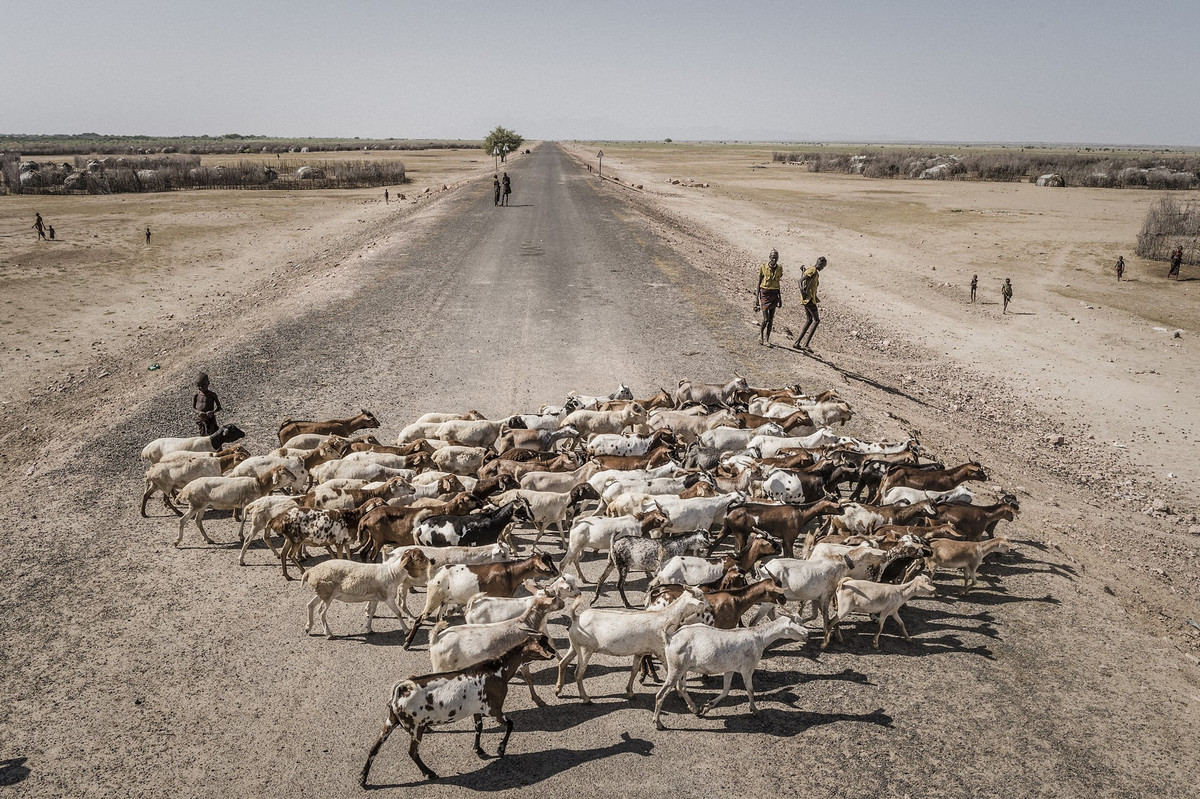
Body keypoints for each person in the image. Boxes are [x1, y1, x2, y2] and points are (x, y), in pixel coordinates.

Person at [793, 256, 828, 351]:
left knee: (809, 320)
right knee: (816, 320)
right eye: (823, 266)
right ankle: (806, 344)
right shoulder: (813, 270)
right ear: (820, 264)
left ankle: (797, 342)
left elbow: (804, 279)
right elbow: (800, 281)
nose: (822, 268)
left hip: (808, 299)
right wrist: (802, 292)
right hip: (809, 300)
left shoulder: (812, 271)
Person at [754, 249, 783, 345]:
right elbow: (759, 282)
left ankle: (767, 339)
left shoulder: (779, 269)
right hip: (765, 293)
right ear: (769, 257)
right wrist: (756, 299)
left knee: (771, 319)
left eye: (775, 257)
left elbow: (778, 283)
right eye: (772, 257)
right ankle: (761, 335)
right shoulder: (763, 267)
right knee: (766, 318)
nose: (774, 259)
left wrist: (780, 298)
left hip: (774, 294)